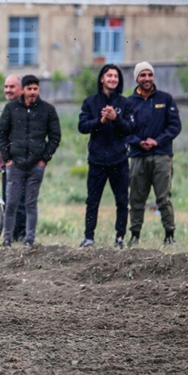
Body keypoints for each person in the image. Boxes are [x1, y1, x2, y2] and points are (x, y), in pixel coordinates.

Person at [0, 74, 61, 247]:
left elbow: (55, 136)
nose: (32, 92)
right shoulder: (11, 109)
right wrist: (8, 158)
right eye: (29, 89)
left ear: (39, 89)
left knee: (31, 203)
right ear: (23, 90)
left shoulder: (47, 110)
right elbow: (1, 133)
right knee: (11, 203)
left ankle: (29, 240)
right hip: (15, 165)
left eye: (35, 89)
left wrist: (44, 159)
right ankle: (7, 239)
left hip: (36, 165)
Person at [124, 61, 182, 246]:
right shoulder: (128, 103)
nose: (147, 78)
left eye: (149, 75)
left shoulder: (165, 99)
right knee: (136, 198)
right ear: (137, 78)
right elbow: (123, 130)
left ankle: (169, 235)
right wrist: (138, 142)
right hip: (138, 156)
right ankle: (135, 235)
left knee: (163, 198)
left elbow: (175, 126)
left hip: (161, 155)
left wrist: (157, 141)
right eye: (143, 75)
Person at [77, 64, 133, 249]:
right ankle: (89, 238)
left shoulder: (125, 103)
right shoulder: (90, 102)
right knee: (92, 201)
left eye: (115, 76)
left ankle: (120, 238)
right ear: (102, 78)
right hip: (97, 160)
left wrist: (115, 118)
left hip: (119, 159)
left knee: (122, 201)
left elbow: (130, 128)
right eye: (109, 76)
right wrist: (100, 121)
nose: (112, 79)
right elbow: (82, 127)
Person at [0, 74, 27, 241]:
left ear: (21, 89)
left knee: (20, 201)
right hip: (7, 162)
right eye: (6, 86)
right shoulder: (10, 108)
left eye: (12, 87)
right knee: (9, 200)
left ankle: (20, 236)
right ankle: (13, 236)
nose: (8, 90)